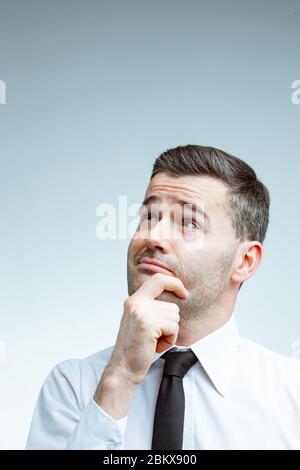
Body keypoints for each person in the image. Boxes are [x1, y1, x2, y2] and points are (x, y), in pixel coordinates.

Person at [26, 145, 300, 450]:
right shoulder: (73, 386)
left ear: (245, 261)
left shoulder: (291, 397)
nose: (153, 236)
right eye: (149, 216)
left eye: (188, 223)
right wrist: (119, 379)